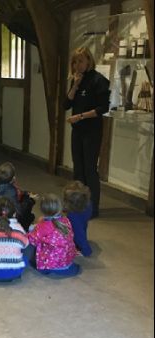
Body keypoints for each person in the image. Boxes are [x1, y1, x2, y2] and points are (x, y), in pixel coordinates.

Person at [64, 47, 110, 219]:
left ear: (89, 61)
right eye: (75, 62)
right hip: (78, 130)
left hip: (92, 131)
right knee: (78, 168)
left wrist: (80, 116)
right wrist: (75, 85)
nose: (77, 65)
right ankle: (78, 204)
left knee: (90, 170)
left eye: (81, 61)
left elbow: (102, 108)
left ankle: (92, 208)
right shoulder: (76, 80)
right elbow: (66, 105)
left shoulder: (99, 80)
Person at [27, 194, 79, 277]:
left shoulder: (43, 226)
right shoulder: (65, 220)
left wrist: (31, 230)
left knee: (29, 248)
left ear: (42, 210)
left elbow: (31, 240)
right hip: (67, 260)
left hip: (51, 265)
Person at [0, 162, 36, 232]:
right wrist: (30, 200)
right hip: (9, 214)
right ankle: (25, 229)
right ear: (13, 177)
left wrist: (25, 193)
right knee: (29, 213)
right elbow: (18, 210)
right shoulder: (11, 191)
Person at [63, 181, 92, 257]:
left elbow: (79, 235)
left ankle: (84, 249)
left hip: (78, 226)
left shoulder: (73, 217)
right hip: (84, 216)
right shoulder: (88, 204)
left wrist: (86, 250)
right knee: (83, 226)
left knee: (79, 232)